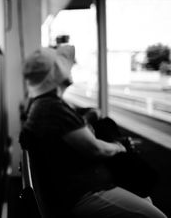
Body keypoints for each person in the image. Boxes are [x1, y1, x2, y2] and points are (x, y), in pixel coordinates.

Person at [19, 46, 167, 218]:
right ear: (55, 75)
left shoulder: (43, 105)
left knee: (145, 199)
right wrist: (119, 146)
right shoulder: (51, 108)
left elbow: (67, 132)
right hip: (80, 193)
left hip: (74, 187)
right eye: (64, 66)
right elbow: (96, 149)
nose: (70, 68)